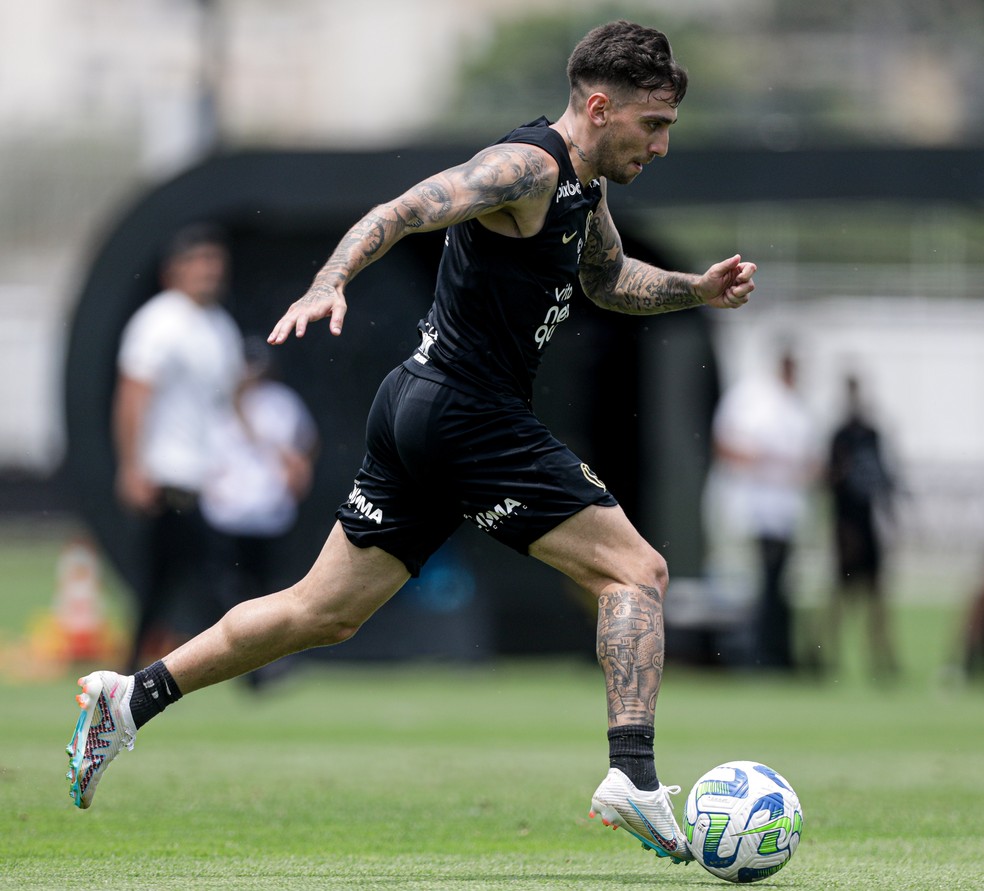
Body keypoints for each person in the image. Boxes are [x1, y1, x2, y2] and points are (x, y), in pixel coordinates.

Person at [65, 20, 755, 865]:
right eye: (654, 125)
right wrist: (329, 280)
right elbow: (404, 209)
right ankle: (632, 776)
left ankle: (131, 697)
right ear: (601, 106)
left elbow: (608, 280)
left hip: (424, 408)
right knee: (637, 570)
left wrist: (698, 289)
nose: (662, 145)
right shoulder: (527, 167)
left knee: (321, 612)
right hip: (467, 413)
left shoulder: (585, 188)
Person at [112, 223, 245, 671]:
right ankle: (256, 667)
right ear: (174, 271)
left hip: (204, 474)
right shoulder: (159, 321)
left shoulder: (218, 326)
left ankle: (131, 666)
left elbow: (228, 404)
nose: (208, 272)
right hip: (169, 471)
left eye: (214, 262)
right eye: (199, 262)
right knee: (215, 570)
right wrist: (133, 465)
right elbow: (133, 394)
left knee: (164, 579)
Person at [200, 336, 320, 683]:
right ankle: (238, 660)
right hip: (228, 511)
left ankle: (264, 661)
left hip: (268, 511)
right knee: (228, 587)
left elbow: (303, 445)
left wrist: (297, 471)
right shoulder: (219, 405)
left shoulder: (280, 403)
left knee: (267, 588)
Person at [710, 350, 819, 671]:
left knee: (780, 586)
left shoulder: (798, 408)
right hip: (751, 510)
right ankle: (748, 653)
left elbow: (811, 461)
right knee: (748, 584)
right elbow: (727, 446)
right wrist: (768, 465)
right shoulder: (751, 399)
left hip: (784, 514)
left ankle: (776, 653)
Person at [826, 374, 898, 680]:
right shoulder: (840, 437)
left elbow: (883, 479)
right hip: (848, 525)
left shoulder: (871, 435)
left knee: (876, 595)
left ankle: (881, 657)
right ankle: (825, 654)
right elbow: (832, 484)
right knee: (843, 595)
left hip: (867, 525)